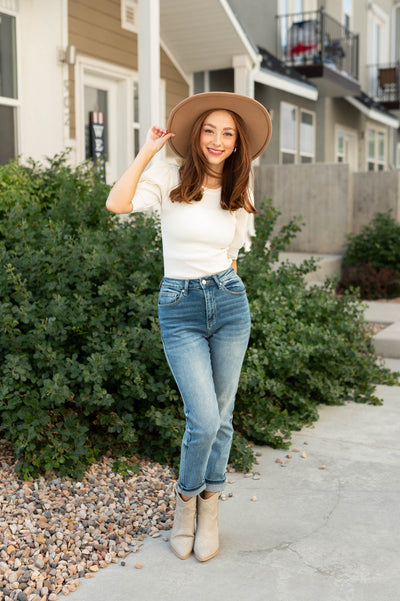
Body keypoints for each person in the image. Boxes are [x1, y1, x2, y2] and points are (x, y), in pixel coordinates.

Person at [106, 92, 272, 562]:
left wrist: (227, 293)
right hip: (179, 306)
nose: (218, 141)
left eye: (228, 133)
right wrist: (146, 151)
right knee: (202, 418)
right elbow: (117, 203)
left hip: (229, 301)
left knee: (223, 416)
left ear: (237, 142)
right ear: (196, 135)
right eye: (210, 130)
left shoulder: (242, 185)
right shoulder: (169, 177)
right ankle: (184, 503)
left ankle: (210, 507)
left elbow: (234, 253)